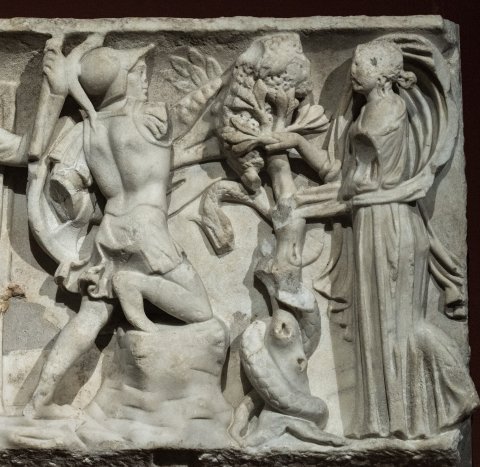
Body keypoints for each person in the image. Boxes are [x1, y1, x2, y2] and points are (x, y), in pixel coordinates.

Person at [257, 39, 479, 439]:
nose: (354, 71)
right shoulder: (368, 112)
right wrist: (299, 144)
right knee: (378, 328)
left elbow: (357, 188)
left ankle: (450, 395)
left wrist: (303, 200)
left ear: (382, 72)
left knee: (396, 327)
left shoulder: (389, 113)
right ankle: (384, 421)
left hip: (388, 224)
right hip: (371, 223)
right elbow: (343, 178)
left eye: (362, 64)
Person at [24, 43, 214, 419]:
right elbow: (193, 106)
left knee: (91, 316)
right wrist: (225, 78)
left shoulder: (89, 129)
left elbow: (67, 186)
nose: (143, 81)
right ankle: (134, 285)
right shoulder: (150, 117)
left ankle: (37, 402)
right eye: (138, 74)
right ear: (122, 81)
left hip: (111, 230)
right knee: (202, 312)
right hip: (148, 230)